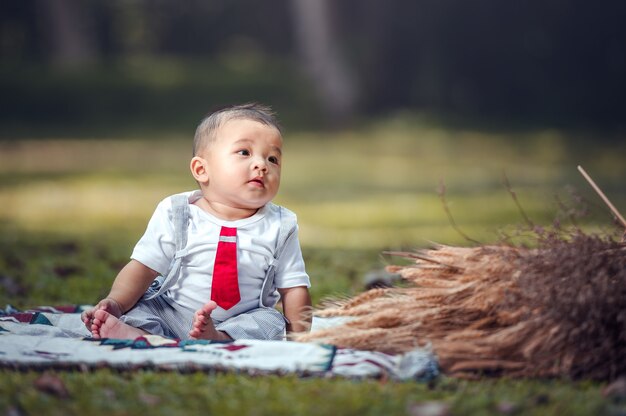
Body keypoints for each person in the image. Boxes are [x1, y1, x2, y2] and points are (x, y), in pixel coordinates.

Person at [81, 103, 312, 341]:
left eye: (273, 158)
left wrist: (300, 340)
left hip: (242, 320)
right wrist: (116, 302)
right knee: (143, 305)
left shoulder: (280, 225)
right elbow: (144, 267)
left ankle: (217, 337)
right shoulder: (178, 212)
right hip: (172, 311)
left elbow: (293, 288)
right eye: (244, 152)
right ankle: (136, 331)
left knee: (271, 321)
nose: (262, 165)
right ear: (202, 169)